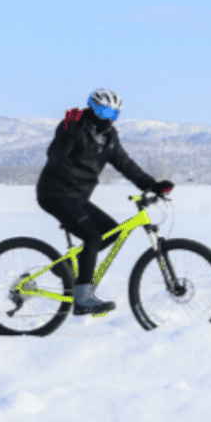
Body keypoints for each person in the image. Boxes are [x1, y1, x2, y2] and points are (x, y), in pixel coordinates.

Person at [36, 88, 174, 316]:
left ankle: (69, 269)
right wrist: (67, 132)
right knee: (92, 236)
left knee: (113, 231)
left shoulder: (110, 138)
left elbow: (126, 165)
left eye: (113, 113)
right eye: (102, 111)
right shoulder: (74, 125)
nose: (107, 118)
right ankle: (83, 299)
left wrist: (152, 185)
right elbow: (55, 156)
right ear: (92, 107)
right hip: (55, 192)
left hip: (77, 196)